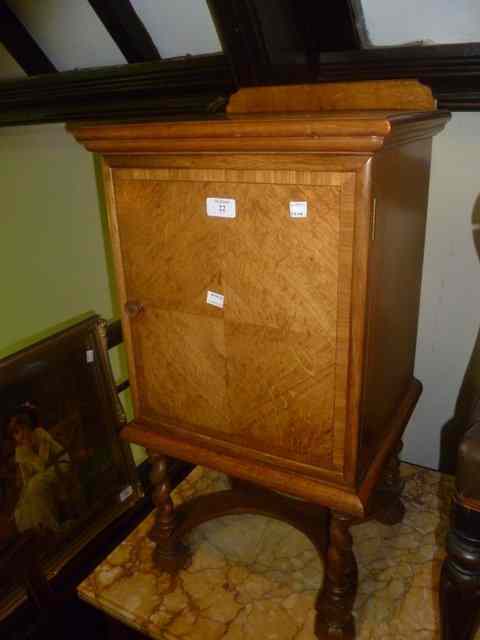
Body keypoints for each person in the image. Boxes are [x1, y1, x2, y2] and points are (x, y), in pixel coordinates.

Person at [7, 403, 71, 534]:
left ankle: (52, 528)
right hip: (42, 478)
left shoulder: (40, 435)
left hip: (59, 464)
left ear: (28, 427)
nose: (21, 434)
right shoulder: (20, 452)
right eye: (16, 433)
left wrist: (30, 451)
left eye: (23, 429)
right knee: (29, 496)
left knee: (35, 484)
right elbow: (26, 480)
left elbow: (51, 458)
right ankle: (47, 528)